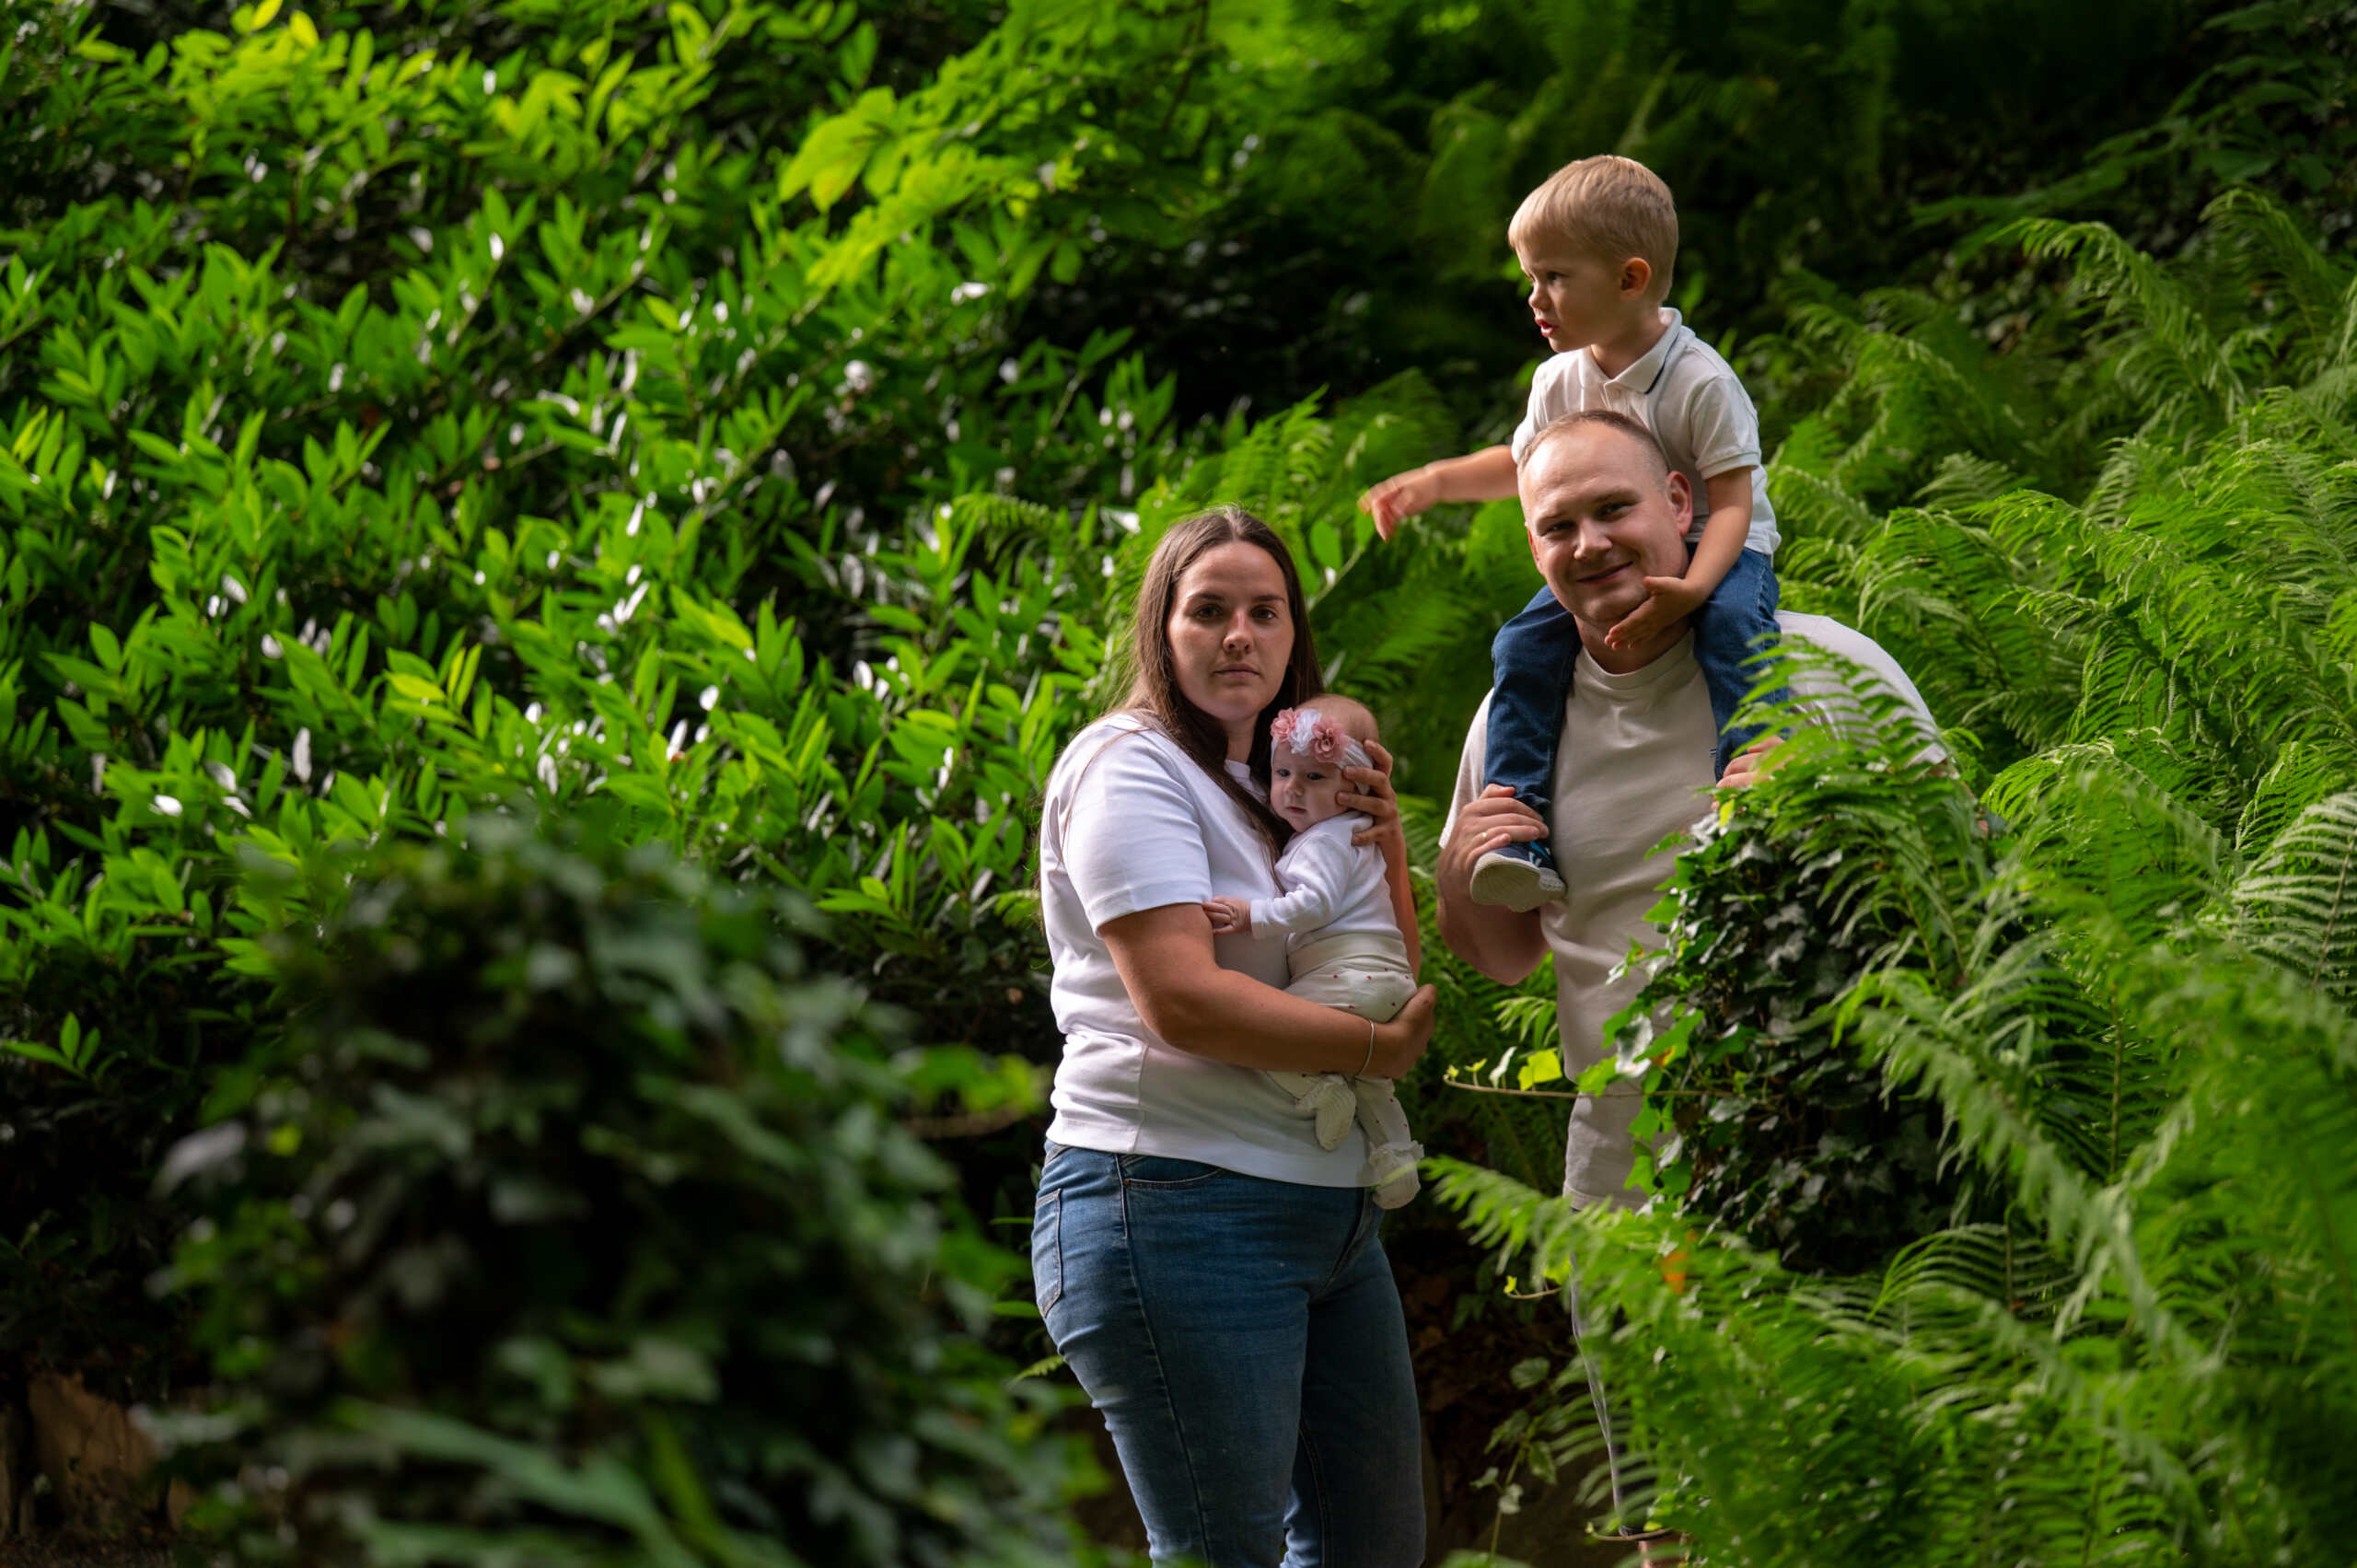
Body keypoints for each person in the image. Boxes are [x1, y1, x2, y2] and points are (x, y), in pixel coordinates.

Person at [1435, 410, 1945, 1551]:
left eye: (1612, 508)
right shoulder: (1512, 720)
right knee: (1673, 1518)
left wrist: (1824, 807)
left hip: (1831, 1142)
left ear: (1681, 503)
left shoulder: (1823, 667)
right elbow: (1504, 952)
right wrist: (1464, 875)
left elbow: (1959, 887)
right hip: (1620, 1167)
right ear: (1533, 549)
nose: (1589, 542)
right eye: (1555, 524)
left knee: (1869, 1506)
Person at [1034, 505, 1440, 1568]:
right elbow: (1185, 999)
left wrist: (1381, 836)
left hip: (1327, 1213)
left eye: (1265, 612)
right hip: (1173, 1202)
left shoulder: (1282, 781)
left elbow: (1387, 959)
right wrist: (1369, 1054)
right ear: (1160, 631)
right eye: (1207, 610)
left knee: (1372, 1550)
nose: (1239, 636)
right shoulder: (1129, 766)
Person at [1362, 154, 1785, 912]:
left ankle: (1758, 768)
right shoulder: (1559, 380)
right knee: (1522, 645)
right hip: (1615, 558)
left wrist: (1691, 588)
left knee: (1728, 627)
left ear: (1629, 279)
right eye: (1531, 278)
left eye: (1555, 278)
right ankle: (1519, 826)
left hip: (1719, 549)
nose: (1535, 298)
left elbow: (1731, 505)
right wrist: (1432, 483)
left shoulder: (1701, 382)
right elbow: (1520, 464)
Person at [1202, 695, 1423, 1208]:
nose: (1292, 789)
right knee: (1371, 1077)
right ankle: (1396, 1159)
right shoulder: (1350, 837)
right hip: (1380, 979)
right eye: (1282, 773)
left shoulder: (1327, 840)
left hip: (1348, 972)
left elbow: (1316, 904)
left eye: (1315, 778)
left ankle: (1320, 1089)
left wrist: (1250, 915)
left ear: (1358, 787)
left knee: (1268, 1036)